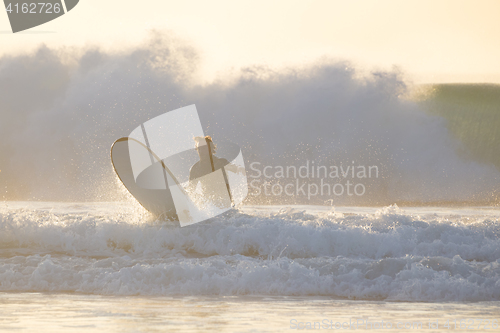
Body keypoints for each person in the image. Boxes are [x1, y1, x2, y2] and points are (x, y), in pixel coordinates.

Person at [187, 136, 244, 208]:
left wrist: (241, 168)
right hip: (210, 207)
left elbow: (235, 167)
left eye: (204, 148)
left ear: (210, 149)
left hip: (226, 206)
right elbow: (190, 190)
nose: (201, 151)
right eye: (199, 149)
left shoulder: (221, 163)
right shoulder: (195, 169)